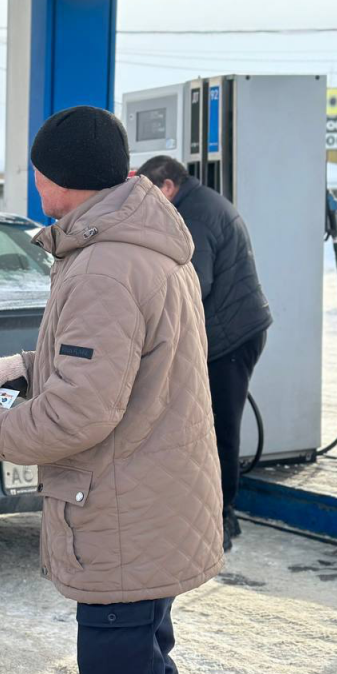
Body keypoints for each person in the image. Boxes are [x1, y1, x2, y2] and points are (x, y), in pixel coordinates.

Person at [0, 106, 222, 674]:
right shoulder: (140, 244)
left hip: (121, 517)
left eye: (37, 173)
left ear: (56, 180)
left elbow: (78, 413)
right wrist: (26, 366)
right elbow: (127, 362)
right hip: (156, 503)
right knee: (147, 672)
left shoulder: (105, 266)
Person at [136, 155, 273, 550]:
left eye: (148, 194)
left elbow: (194, 283)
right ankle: (215, 512)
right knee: (208, 426)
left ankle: (222, 517)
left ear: (167, 187)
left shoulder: (194, 214)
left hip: (231, 336)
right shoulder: (198, 203)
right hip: (231, 331)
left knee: (219, 429)